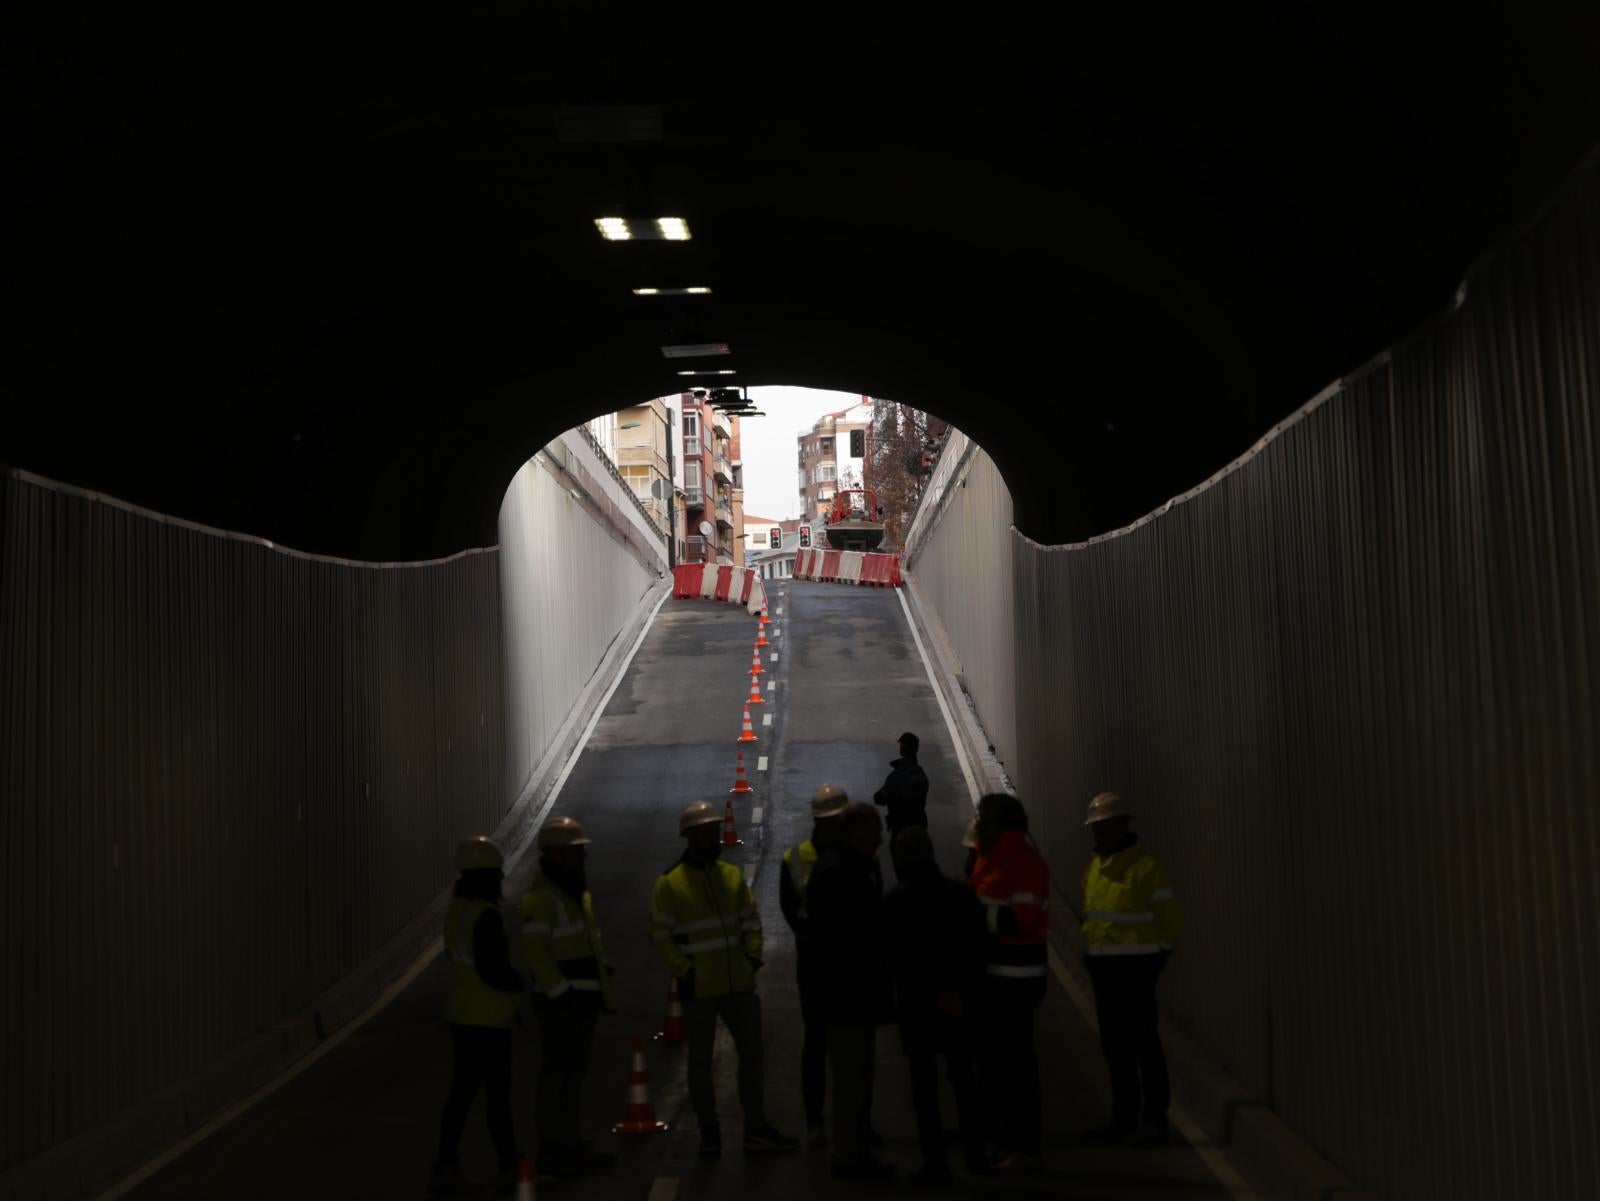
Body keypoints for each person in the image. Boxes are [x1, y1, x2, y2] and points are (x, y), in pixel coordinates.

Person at [649, 801, 799, 1158]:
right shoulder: (670, 885)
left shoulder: (730, 877)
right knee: (699, 1062)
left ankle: (755, 1128)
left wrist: (752, 959)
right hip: (699, 989)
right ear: (689, 837)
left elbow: (751, 922)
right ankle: (709, 1131)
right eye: (705, 833)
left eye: (714, 832)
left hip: (738, 985)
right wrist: (686, 971)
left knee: (752, 1056)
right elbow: (661, 936)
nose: (712, 838)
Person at [882, 827, 988, 1189]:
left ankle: (936, 1163)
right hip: (957, 1002)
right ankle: (977, 1153)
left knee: (924, 1089)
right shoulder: (960, 895)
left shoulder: (895, 902)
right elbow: (979, 947)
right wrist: (960, 992)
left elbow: (891, 959)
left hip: (917, 1006)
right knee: (964, 1080)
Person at [1080, 791, 1184, 1147]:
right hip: (1105, 971)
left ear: (1122, 825)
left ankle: (1154, 1118)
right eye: (1096, 827)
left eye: (1105, 826)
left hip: (1137, 971)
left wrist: (1157, 957)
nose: (1099, 834)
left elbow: (1172, 921)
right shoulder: (1095, 867)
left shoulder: (1145, 870)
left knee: (1143, 1044)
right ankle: (1124, 1116)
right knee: (1115, 1047)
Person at [517, 815, 615, 1180]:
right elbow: (537, 953)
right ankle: (552, 1150)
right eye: (576, 851)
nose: (583, 857)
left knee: (573, 1074)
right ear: (556, 855)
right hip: (562, 1003)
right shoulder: (543, 899)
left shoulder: (573, 893)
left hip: (581, 999)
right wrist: (563, 994)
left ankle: (569, 1144)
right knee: (557, 1075)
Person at [431, 836, 526, 1199]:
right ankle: (508, 1165)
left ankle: (446, 1165)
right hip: (487, 1017)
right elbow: (493, 969)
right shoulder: (485, 915)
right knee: (497, 1096)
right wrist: (517, 984)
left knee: (462, 1094)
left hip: (461, 1013)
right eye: (496, 876)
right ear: (485, 877)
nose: (501, 881)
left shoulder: (458, 910)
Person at [804, 802, 895, 1181]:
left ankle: (855, 1150)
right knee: (849, 1080)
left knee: (857, 1077)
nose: (881, 839)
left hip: (852, 992)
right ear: (856, 833)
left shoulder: (845, 867)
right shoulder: (843, 873)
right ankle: (848, 1157)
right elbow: (852, 939)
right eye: (875, 832)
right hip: (846, 993)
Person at [968, 792, 1050, 1174]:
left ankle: (1024, 1144)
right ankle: (1001, 1138)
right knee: (995, 1065)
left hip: (1016, 980)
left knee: (1016, 1066)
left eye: (983, 818)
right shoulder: (990, 858)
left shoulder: (1023, 864)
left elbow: (1022, 920)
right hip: (993, 978)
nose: (978, 824)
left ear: (1000, 824)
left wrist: (968, 920)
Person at [778, 783, 850, 1148]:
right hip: (826, 963)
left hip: (818, 961)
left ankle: (826, 1122)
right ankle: (826, 1121)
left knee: (823, 1044)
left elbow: (790, 911)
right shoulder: (803, 859)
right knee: (832, 1044)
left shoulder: (799, 858)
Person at [873, 732, 931, 878]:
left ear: (902, 748)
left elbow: (879, 798)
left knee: (902, 871)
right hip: (920, 826)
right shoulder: (921, 775)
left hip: (900, 828)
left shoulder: (897, 776)